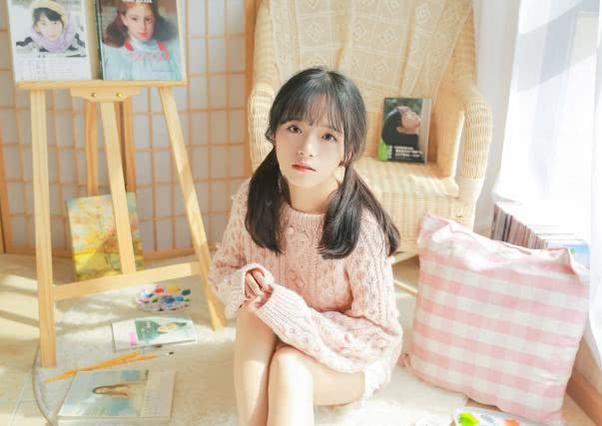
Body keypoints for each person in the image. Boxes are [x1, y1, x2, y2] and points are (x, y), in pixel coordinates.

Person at [208, 67, 403, 425]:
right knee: (253, 309)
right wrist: (244, 281)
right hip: (282, 333)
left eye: (328, 136)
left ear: (348, 150)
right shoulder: (253, 197)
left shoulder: (361, 227)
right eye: (294, 128)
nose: (306, 149)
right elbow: (222, 270)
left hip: (350, 357)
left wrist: (291, 315)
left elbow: (378, 334)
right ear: (274, 132)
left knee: (289, 367)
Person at [101, 0, 181, 80]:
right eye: (134, 19)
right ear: (124, 19)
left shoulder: (171, 46)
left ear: (154, 19)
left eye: (148, 19)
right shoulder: (113, 52)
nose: (142, 27)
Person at [15, 0, 86, 57]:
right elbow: (15, 52)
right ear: (37, 26)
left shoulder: (75, 38)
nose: (51, 30)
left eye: (55, 23)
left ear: (63, 23)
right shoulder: (33, 39)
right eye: (44, 24)